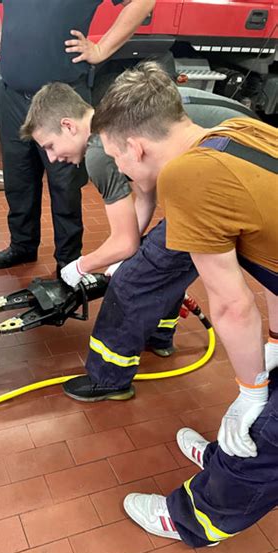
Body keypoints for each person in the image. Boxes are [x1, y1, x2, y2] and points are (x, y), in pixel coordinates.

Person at [91, 61, 277, 545]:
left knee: (270, 431)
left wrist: (250, 391)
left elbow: (233, 305)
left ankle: (197, 518)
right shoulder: (236, 130)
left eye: (118, 159)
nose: (122, 170)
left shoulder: (187, 179)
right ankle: (224, 455)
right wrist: (273, 343)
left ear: (137, 146)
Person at [20, 78, 258, 401]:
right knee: (153, 260)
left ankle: (109, 378)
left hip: (232, 178)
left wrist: (81, 266)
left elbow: (125, 242)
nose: (51, 158)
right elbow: (146, 196)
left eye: (49, 146)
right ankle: (159, 337)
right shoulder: (117, 116)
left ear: (68, 126)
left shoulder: (99, 152)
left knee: (132, 282)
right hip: (245, 157)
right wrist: (128, 251)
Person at [0, 0, 156, 272]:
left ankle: (68, 262)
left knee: (65, 186)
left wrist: (101, 49)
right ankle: (22, 245)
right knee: (18, 178)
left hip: (63, 99)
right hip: (13, 97)